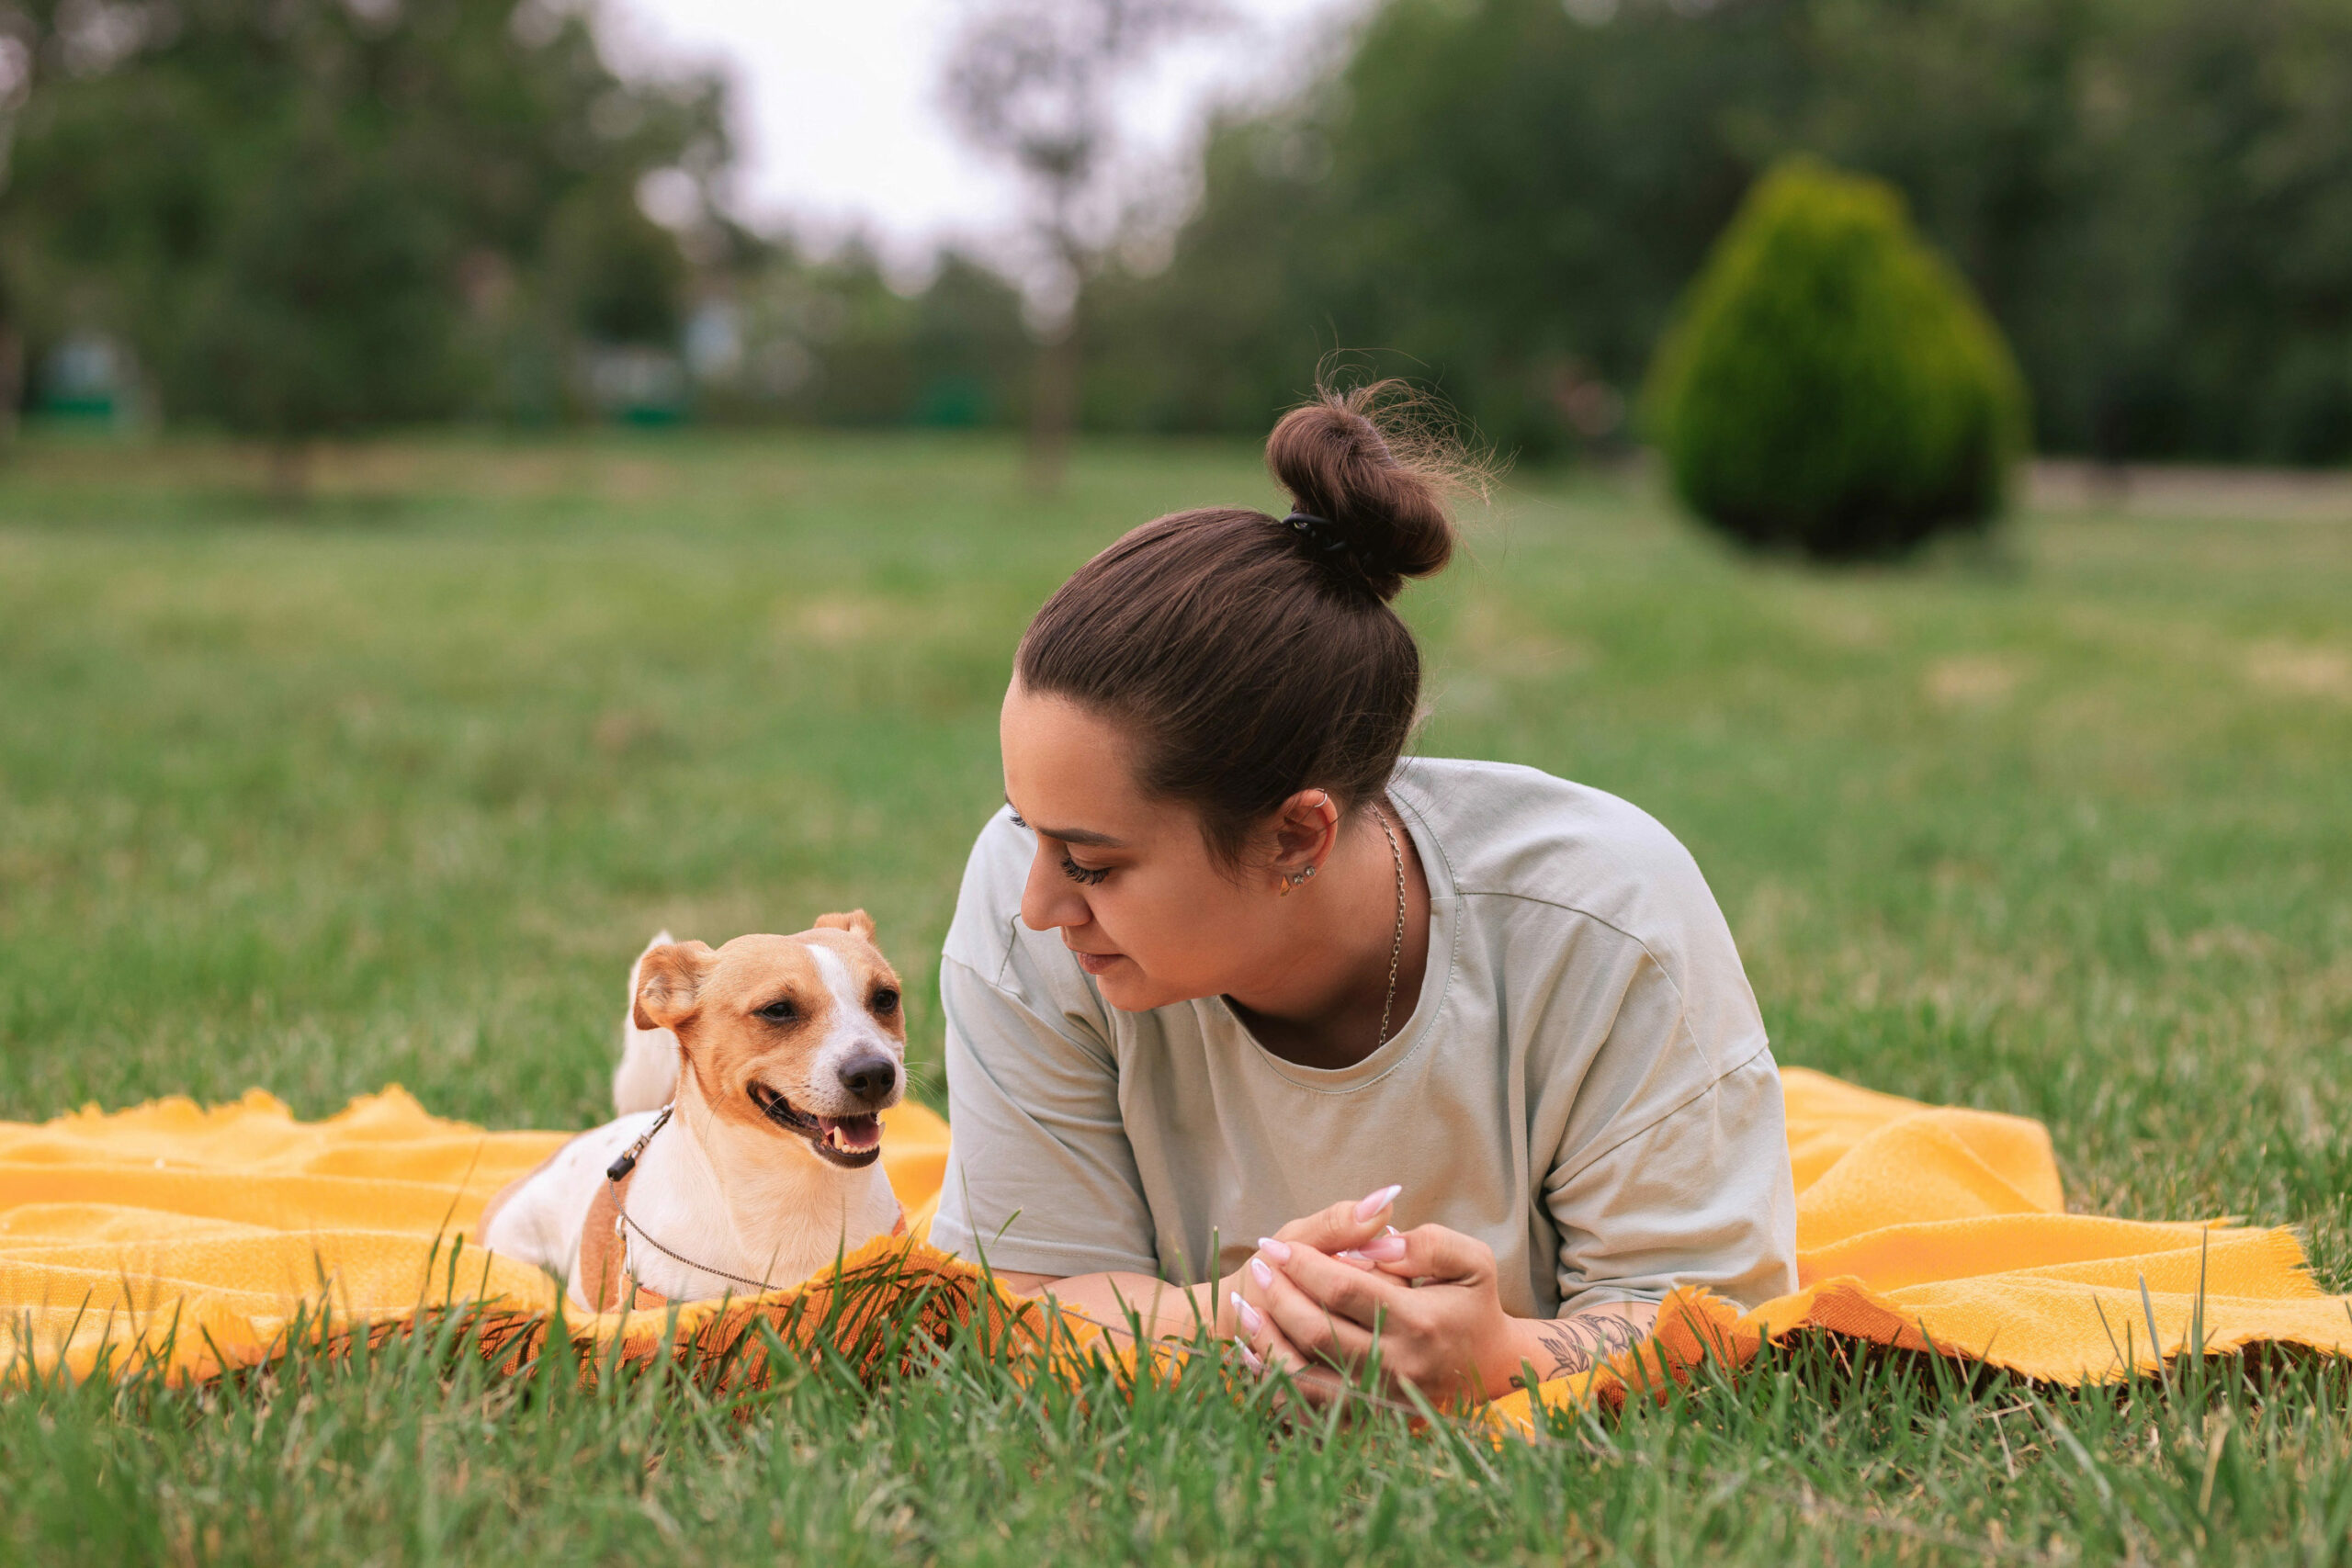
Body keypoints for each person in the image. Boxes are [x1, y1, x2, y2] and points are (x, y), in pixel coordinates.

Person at [928, 383, 1796, 1408]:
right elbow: (1024, 1300)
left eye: (1093, 864)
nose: (1036, 905)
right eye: (1029, 829)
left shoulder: (1603, 920)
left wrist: (1508, 1363)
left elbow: (1714, 1323)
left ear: (1296, 835)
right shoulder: (1016, 902)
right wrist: (1252, 1311)